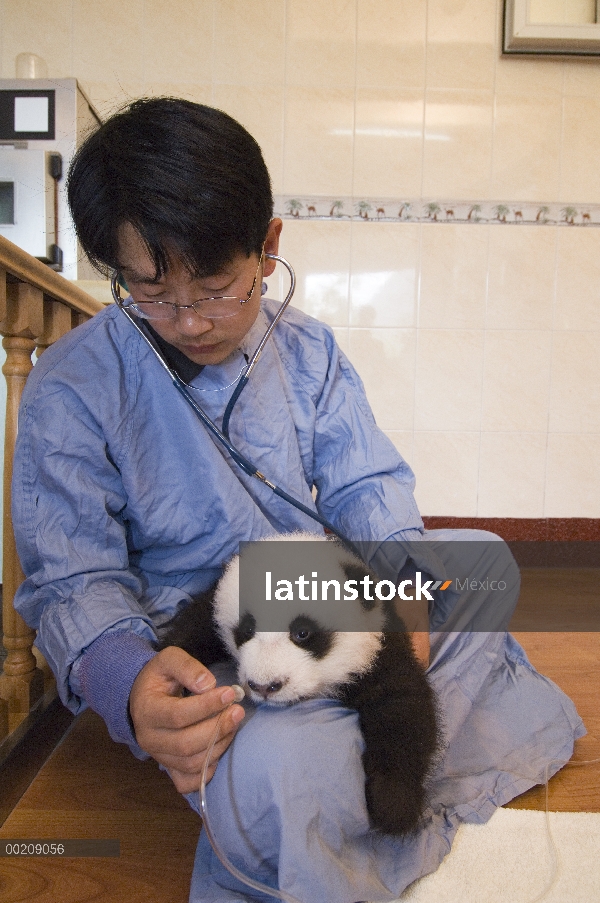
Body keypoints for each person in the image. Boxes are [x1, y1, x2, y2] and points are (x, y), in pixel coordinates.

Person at [11, 98, 584, 902]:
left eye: (216, 287)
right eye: (152, 292)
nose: (189, 321)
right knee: (286, 763)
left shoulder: (307, 350)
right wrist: (134, 687)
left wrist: (403, 584)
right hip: (221, 658)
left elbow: (366, 486)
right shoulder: (70, 386)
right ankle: (358, 760)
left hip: (333, 617)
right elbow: (73, 580)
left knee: (483, 562)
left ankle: (342, 767)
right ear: (114, 271)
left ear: (268, 246)